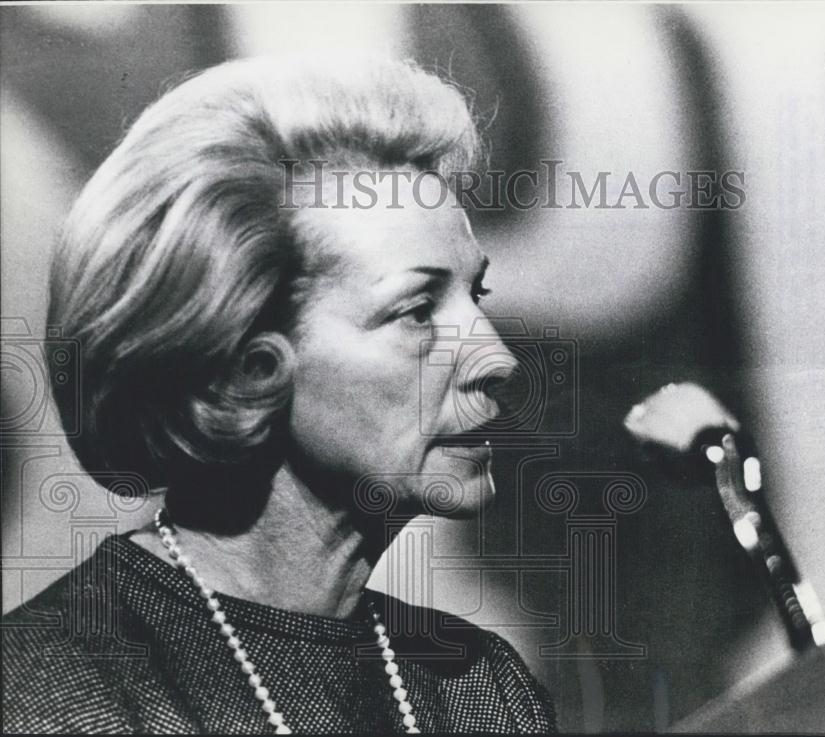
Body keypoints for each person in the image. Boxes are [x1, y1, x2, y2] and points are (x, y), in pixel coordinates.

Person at [2, 54, 556, 734]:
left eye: (477, 294)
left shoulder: (480, 686)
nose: (495, 357)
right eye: (416, 310)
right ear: (239, 366)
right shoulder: (50, 693)